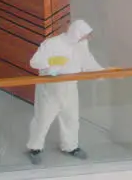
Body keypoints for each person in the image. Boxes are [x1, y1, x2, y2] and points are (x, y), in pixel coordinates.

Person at [26, 19, 103, 164]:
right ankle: (35, 148)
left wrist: (103, 73)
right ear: (76, 33)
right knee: (42, 119)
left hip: (70, 86)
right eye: (84, 35)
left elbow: (88, 62)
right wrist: (51, 64)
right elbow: (34, 61)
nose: (85, 39)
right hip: (50, 87)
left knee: (71, 118)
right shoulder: (52, 43)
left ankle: (71, 146)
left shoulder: (81, 45)